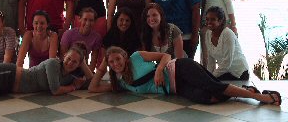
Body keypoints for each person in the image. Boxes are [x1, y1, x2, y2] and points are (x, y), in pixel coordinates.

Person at [88, 47, 282, 106]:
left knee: (213, 86)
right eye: (111, 63)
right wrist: (104, 64)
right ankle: (245, 91)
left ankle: (259, 97)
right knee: (206, 98)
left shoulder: (136, 57)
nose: (116, 63)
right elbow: (93, 88)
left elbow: (166, 56)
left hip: (178, 68)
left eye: (117, 59)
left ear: (124, 56)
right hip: (175, 88)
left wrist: (158, 70)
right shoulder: (122, 83)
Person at [205, 6, 249, 80]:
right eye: (207, 19)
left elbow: (227, 63)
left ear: (220, 21)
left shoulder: (227, 34)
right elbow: (211, 61)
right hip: (224, 72)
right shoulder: (208, 34)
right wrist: (208, 76)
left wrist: (211, 77)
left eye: (213, 19)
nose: (209, 22)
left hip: (238, 74)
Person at [60, 7, 101, 72]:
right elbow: (62, 56)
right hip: (67, 66)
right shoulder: (68, 34)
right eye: (85, 19)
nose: (87, 23)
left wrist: (88, 76)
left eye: (91, 20)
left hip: (83, 68)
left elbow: (93, 61)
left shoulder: (96, 37)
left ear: (95, 21)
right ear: (79, 19)